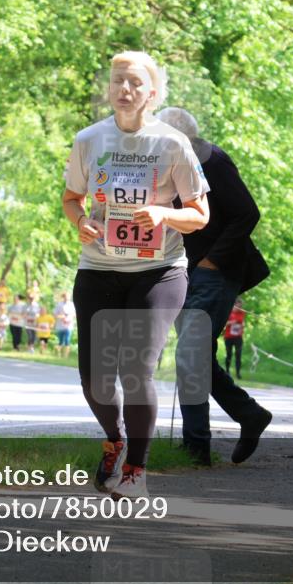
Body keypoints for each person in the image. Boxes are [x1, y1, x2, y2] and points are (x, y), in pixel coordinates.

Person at [62, 51, 209, 498]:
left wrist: (164, 214)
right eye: (117, 81)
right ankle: (115, 440)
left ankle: (135, 472)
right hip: (100, 268)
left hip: (159, 271)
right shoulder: (89, 140)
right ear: (109, 88)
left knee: (135, 368)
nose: (124, 90)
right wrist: (80, 221)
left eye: (135, 83)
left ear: (154, 92)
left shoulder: (171, 144)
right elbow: (71, 198)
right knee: (94, 378)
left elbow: (200, 215)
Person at [159, 107, 272, 467]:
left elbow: (247, 213)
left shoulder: (213, 161)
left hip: (217, 271)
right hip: (182, 270)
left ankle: (195, 448)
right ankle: (249, 414)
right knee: (197, 357)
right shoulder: (163, 164)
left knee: (190, 355)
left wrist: (213, 260)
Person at [223, 299, 246, 380]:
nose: (239, 307)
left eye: (240, 306)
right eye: (237, 305)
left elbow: (242, 322)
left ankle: (238, 373)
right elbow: (224, 323)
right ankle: (227, 371)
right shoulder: (228, 312)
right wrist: (231, 322)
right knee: (229, 354)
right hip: (228, 337)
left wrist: (243, 325)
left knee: (238, 354)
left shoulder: (242, 313)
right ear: (234, 304)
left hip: (238, 337)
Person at [54, 292, 76, 358]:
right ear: (63, 297)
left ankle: (66, 356)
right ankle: (58, 354)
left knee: (67, 340)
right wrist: (62, 317)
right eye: (65, 296)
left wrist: (69, 319)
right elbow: (55, 314)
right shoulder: (59, 305)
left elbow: (74, 314)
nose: (67, 298)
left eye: (68, 296)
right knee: (60, 341)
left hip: (68, 326)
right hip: (60, 326)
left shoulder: (72, 305)